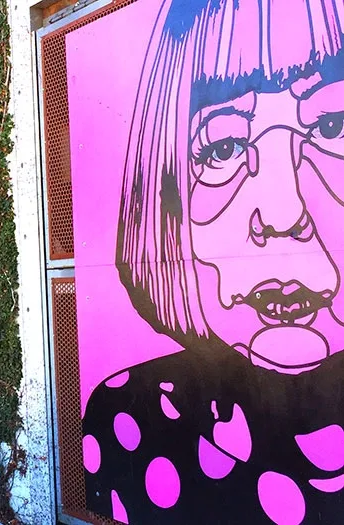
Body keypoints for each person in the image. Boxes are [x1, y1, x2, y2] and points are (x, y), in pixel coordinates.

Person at [80, 1, 344, 524]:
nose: (282, 214)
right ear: (164, 196)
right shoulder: (129, 419)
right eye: (222, 147)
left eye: (332, 126)